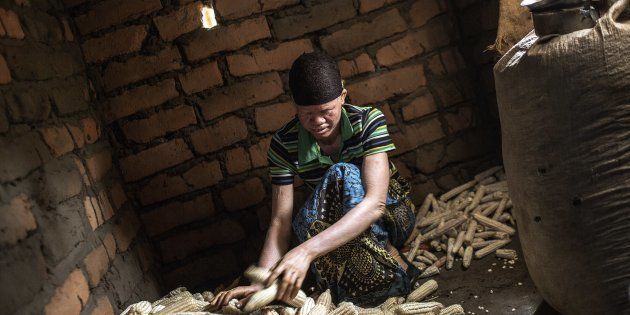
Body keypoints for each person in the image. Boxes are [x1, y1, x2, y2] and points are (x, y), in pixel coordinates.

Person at [212, 52, 419, 308]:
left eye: (326, 111)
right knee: (304, 222)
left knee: (341, 174)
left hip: (391, 216)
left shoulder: (367, 120)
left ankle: (389, 253)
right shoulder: (283, 144)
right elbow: (280, 221)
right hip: (343, 232)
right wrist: (261, 282)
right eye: (307, 114)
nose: (318, 122)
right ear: (295, 107)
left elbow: (375, 203)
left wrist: (304, 252)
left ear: (343, 97)